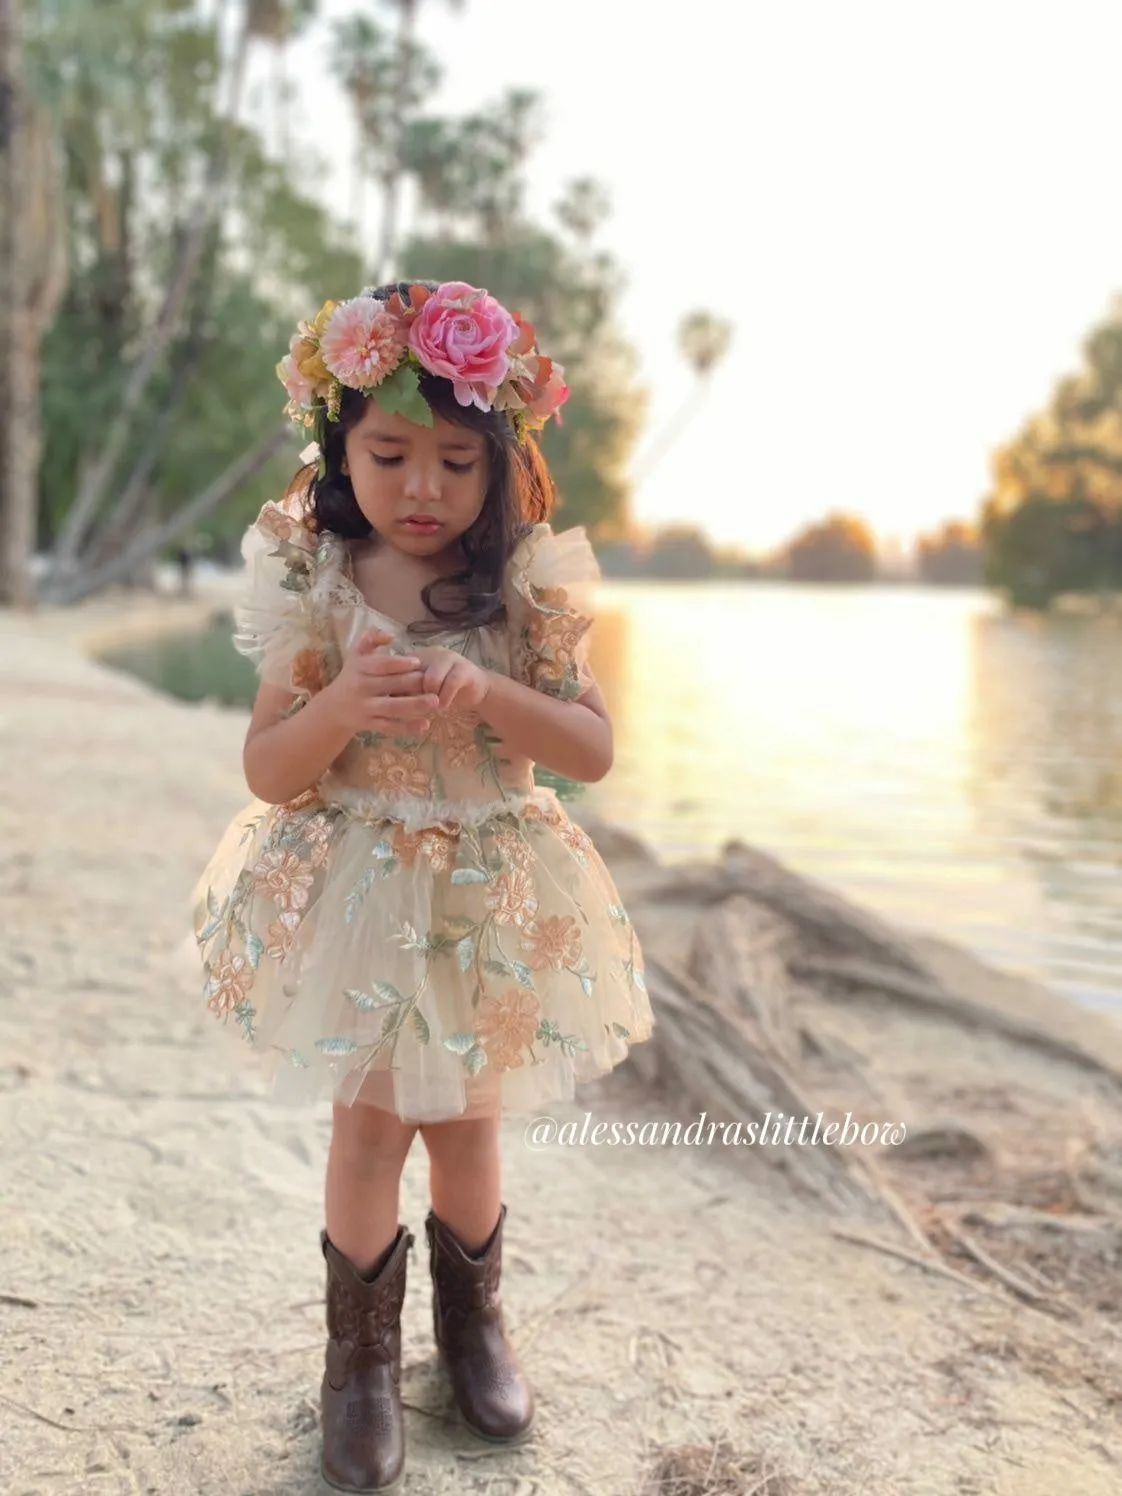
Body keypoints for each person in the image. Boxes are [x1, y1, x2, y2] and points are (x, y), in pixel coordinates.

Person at [190, 280, 654, 1494]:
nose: (424, 486)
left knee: (469, 1118)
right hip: (363, 893)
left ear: (501, 463)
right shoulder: (320, 574)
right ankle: (357, 1362)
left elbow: (594, 750)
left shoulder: (525, 584)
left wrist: (493, 696)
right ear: (341, 446)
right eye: (390, 452)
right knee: (371, 1119)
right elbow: (269, 767)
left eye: (458, 460)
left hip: (489, 896)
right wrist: (340, 704)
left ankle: (474, 1327)